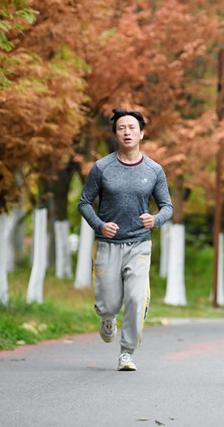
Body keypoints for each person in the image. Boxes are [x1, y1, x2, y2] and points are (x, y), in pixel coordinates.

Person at [78, 108, 173, 371]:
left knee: (136, 298)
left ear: (142, 133)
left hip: (139, 244)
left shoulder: (154, 170)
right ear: (115, 134)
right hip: (108, 245)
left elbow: (167, 206)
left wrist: (156, 219)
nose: (127, 132)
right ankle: (108, 319)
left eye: (132, 127)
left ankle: (127, 353)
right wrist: (99, 224)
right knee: (107, 303)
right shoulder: (102, 167)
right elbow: (84, 202)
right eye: (121, 128)